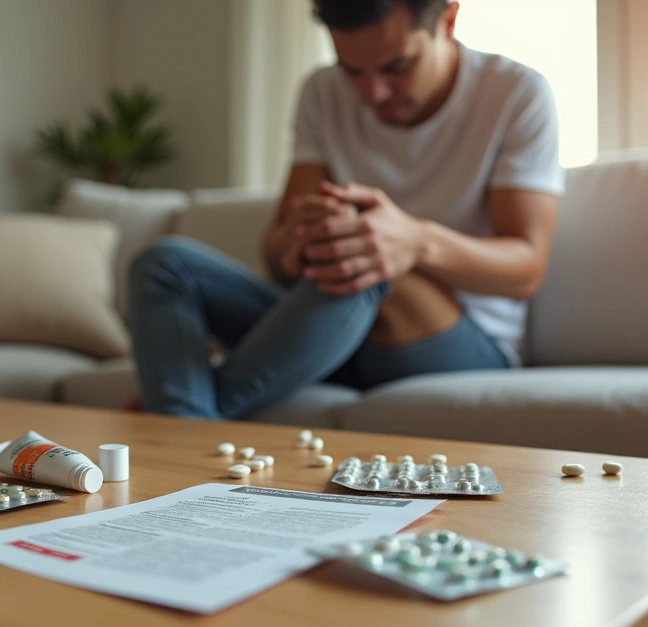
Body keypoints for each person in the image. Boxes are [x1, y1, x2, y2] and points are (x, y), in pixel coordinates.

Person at [126, 0, 562, 420]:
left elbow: (526, 270)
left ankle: (181, 417)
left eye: (397, 66)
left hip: (459, 341)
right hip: (331, 333)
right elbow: (276, 255)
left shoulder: (515, 93)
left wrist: (415, 242)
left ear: (448, 21)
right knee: (164, 264)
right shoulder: (322, 91)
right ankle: (185, 418)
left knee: (362, 253)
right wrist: (300, 242)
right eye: (353, 70)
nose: (374, 92)